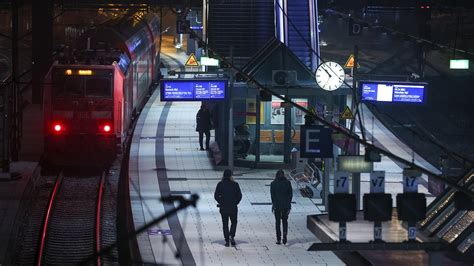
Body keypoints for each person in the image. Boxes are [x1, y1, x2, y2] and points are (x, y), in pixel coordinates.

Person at [214, 169, 242, 247]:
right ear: (230, 176)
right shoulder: (235, 184)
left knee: (225, 224)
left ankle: (226, 240)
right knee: (234, 222)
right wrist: (235, 202)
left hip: (223, 207)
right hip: (233, 207)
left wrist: (221, 202)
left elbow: (216, 195)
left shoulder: (220, 184)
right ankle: (231, 235)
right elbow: (239, 195)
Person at [270, 169, 293, 245]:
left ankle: (278, 238)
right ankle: (285, 234)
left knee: (277, 222)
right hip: (285, 206)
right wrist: (289, 205)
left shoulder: (273, 184)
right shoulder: (288, 183)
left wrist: (273, 205)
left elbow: (272, 196)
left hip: (277, 206)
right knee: (285, 221)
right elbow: (290, 195)